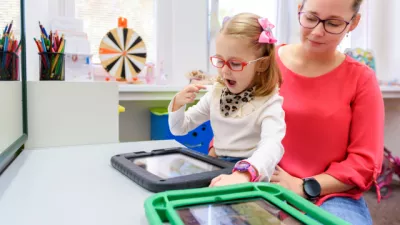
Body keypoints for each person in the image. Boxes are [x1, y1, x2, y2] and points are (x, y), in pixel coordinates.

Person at [208, 0, 384, 224]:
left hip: (328, 193)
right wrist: (220, 149)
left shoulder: (362, 79)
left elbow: (365, 162)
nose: (318, 32)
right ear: (299, 8)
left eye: (333, 23)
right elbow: (233, 114)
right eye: (310, 18)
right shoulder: (265, 63)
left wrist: (304, 186)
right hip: (256, 179)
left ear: (354, 22)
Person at [168, 13, 286, 187]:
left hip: (253, 172)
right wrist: (178, 103)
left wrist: (245, 174)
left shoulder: (270, 103)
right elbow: (180, 128)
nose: (224, 71)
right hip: (219, 166)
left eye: (235, 64)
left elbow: (271, 146)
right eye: (220, 60)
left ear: (262, 64)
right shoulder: (216, 94)